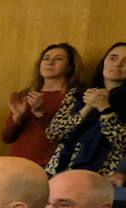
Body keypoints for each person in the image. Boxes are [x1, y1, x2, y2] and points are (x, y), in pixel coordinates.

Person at [46, 42, 126, 176]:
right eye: (113, 58)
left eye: (125, 61)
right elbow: (53, 133)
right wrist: (87, 108)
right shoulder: (78, 94)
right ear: (104, 62)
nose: (118, 64)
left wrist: (104, 108)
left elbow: (123, 142)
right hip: (60, 170)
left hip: (103, 177)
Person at [4, 43, 86, 167]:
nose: (50, 62)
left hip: (48, 167)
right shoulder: (27, 94)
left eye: (58, 59)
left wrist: (40, 113)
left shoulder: (75, 97)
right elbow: (7, 137)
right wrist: (17, 117)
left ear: (70, 67)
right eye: (46, 58)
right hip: (16, 163)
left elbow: (66, 135)